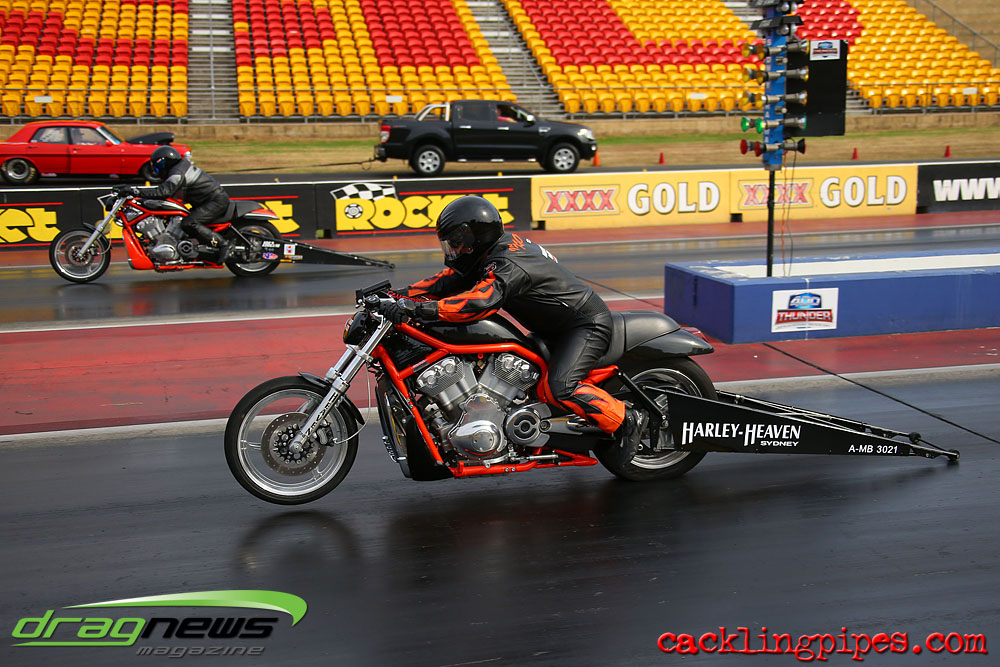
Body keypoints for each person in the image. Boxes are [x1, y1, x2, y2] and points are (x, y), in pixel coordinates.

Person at [382, 195, 648, 467]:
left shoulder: (510, 263)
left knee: (560, 388)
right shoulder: (488, 254)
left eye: (458, 243)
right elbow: (446, 282)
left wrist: (419, 310)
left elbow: (479, 302)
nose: (454, 250)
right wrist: (395, 295)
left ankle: (626, 419)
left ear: (477, 237)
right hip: (552, 327)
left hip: (584, 325)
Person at [116, 146, 232, 263]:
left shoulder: (177, 173)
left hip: (215, 201)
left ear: (164, 163)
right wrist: (138, 196)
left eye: (157, 166)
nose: (156, 170)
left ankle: (223, 244)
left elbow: (163, 192)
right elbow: (162, 191)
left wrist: (135, 191)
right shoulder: (177, 169)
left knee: (189, 223)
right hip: (204, 201)